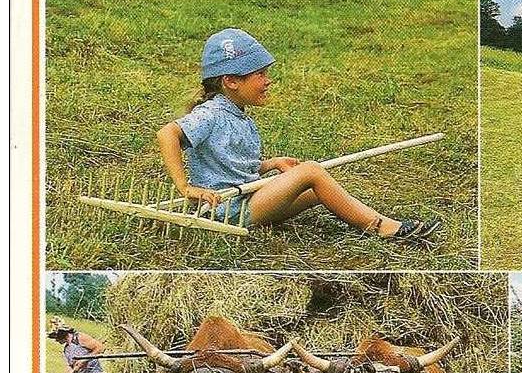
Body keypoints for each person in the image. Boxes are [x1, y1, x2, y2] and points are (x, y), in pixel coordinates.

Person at [156, 28, 439, 243]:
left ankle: (374, 222)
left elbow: (230, 164)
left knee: (317, 190)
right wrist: (185, 187)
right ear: (231, 81)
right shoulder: (212, 113)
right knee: (312, 171)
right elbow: (167, 133)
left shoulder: (235, 113)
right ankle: (383, 227)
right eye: (260, 74)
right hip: (228, 210)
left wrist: (269, 164)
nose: (268, 81)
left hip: (247, 198)